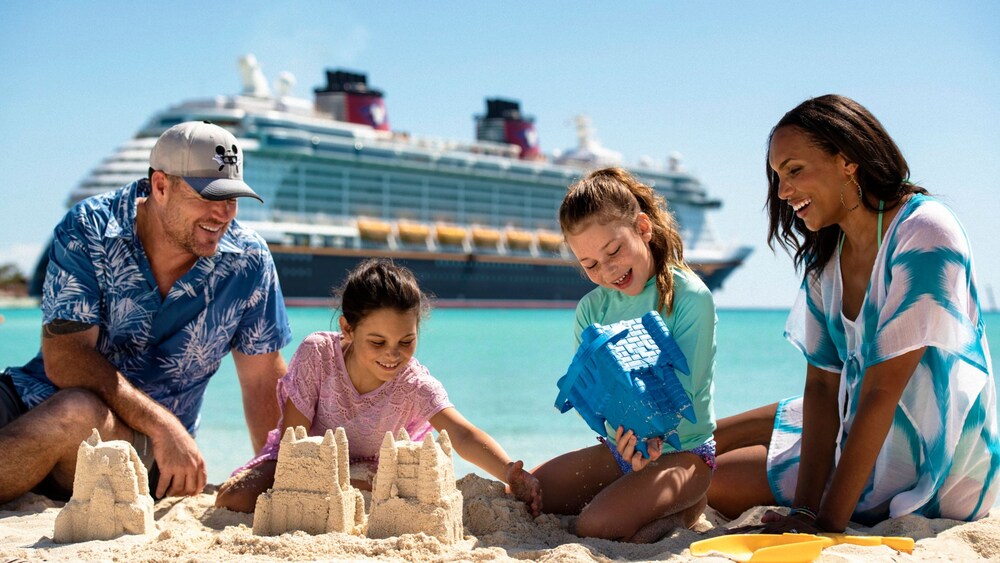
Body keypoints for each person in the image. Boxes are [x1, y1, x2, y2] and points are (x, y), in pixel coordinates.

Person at [709, 94, 999, 533]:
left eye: (794, 171)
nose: (783, 192)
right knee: (702, 450)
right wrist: (803, 511)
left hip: (935, 467)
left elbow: (882, 391)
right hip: (859, 432)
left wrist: (824, 525)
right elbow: (824, 387)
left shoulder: (925, 232)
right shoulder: (827, 257)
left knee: (709, 480)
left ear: (847, 161)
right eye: (777, 177)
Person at [0, 121, 292, 503]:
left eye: (232, 198)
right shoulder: (89, 227)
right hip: (31, 397)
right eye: (208, 196)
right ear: (160, 186)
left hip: (150, 449)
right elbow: (65, 357)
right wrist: (162, 421)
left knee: (76, 412)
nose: (223, 214)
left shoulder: (248, 263)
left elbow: (261, 383)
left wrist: (278, 478)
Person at [214, 258, 542, 515]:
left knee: (367, 494)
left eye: (406, 341)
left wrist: (508, 471)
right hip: (306, 461)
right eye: (377, 341)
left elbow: (462, 434)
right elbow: (293, 439)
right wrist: (311, 477)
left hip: (374, 471)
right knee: (233, 498)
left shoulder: (414, 382)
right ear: (347, 328)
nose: (393, 354)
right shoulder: (318, 354)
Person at [529, 167, 717, 543]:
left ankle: (687, 508)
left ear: (643, 228)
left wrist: (649, 443)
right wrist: (621, 437)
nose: (608, 270)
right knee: (533, 493)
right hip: (622, 448)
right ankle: (642, 494)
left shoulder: (690, 297)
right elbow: (600, 394)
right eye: (590, 265)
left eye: (613, 251)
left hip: (684, 452)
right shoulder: (590, 310)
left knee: (595, 527)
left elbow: (685, 393)